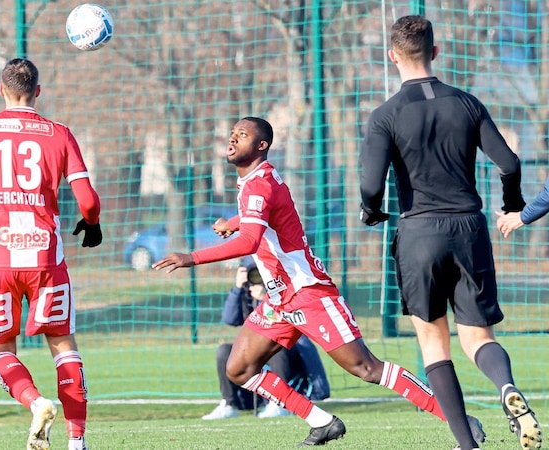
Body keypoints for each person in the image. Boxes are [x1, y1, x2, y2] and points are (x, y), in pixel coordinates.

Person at [153, 116, 483, 447]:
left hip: (309, 293)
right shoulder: (255, 181)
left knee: (365, 368)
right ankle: (322, 422)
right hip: (280, 299)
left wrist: (191, 258)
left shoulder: (259, 183)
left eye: (243, 134)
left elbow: (251, 241)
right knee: (239, 369)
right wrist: (236, 221)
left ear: (262, 146)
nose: (234, 137)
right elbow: (269, 215)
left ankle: (457, 419)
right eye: (233, 133)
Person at [359, 15, 542, 450]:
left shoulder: (385, 115)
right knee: (479, 337)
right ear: (435, 53)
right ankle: (506, 388)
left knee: (433, 342)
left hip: (419, 232)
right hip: (469, 228)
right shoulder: (467, 103)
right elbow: (510, 164)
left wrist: (371, 211)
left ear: (392, 56)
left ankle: (466, 444)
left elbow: (370, 186)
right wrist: (513, 206)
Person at [0, 58, 101, 450]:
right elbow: (88, 199)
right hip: (44, 259)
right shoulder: (60, 134)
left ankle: (36, 402)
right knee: (63, 345)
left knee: (0, 349)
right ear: (37, 92)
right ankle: (77, 443)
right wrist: (91, 223)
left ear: (1, 91)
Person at [203, 260, 330, 420]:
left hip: (285, 347)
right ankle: (229, 404)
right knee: (224, 351)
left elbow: (284, 319)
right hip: (255, 347)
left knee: (277, 347)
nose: (255, 277)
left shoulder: (283, 288)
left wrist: (265, 298)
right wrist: (237, 289)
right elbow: (229, 319)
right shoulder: (245, 292)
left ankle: (280, 403)